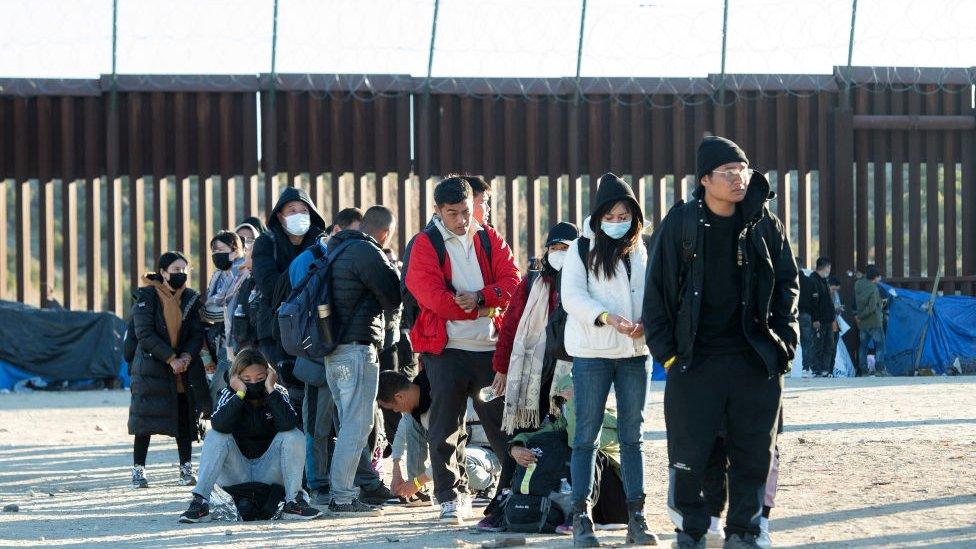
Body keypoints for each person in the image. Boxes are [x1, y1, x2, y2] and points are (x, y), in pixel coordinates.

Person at [644, 135, 799, 549]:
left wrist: (784, 342)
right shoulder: (680, 224)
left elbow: (788, 284)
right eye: (729, 173)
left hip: (755, 359)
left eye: (743, 171)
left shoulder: (766, 224)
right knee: (691, 454)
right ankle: (691, 531)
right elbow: (656, 295)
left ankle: (746, 531)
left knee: (753, 454)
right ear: (705, 179)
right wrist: (671, 357)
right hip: (695, 361)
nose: (739, 179)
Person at [404, 176, 521, 524]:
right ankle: (450, 496)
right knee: (445, 426)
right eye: (452, 213)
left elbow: (513, 283)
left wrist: (483, 298)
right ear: (438, 211)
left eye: (466, 211)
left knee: (502, 425)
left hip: (489, 349)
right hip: (445, 350)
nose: (461, 220)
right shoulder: (425, 244)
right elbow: (434, 299)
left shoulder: (489, 238)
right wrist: (486, 305)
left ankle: (513, 491)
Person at [560, 173, 657, 547]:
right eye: (611, 215)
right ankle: (582, 517)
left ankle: (638, 515)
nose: (618, 222)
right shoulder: (580, 249)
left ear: (635, 217)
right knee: (586, 436)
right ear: (598, 216)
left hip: (636, 352)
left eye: (624, 216)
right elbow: (572, 296)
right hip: (593, 352)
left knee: (634, 436)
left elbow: (654, 294)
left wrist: (645, 324)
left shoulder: (642, 249)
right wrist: (606, 317)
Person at [320, 205, 402, 516]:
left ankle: (340, 492)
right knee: (358, 425)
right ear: (385, 232)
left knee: (348, 423)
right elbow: (393, 297)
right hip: (357, 349)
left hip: (333, 350)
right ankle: (341, 497)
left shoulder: (336, 250)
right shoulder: (368, 252)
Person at [178, 348, 321, 523]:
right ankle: (200, 502)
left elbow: (288, 423)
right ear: (236, 378)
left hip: (269, 470)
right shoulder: (228, 394)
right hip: (237, 470)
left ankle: (294, 502)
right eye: (247, 379)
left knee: (294, 435)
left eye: (260, 378)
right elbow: (220, 424)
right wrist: (240, 394)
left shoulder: (278, 393)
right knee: (215, 435)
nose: (254, 383)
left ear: (269, 374)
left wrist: (270, 389)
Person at [128, 251, 210, 489]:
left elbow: (197, 333)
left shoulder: (192, 298)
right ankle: (138, 471)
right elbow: (144, 333)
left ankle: (186, 469)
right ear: (162, 273)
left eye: (185, 270)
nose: (181, 274)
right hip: (151, 369)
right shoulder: (145, 296)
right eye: (176, 270)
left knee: (184, 419)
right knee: (145, 421)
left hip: (183, 370)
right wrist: (170, 357)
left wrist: (185, 356)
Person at [492, 222, 579, 430]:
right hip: (535, 369)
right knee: (529, 431)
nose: (558, 253)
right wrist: (502, 368)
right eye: (553, 248)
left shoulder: (585, 283)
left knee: (567, 429)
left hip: (572, 366)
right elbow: (510, 326)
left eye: (565, 248)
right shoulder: (533, 284)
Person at [377, 371, 501, 507]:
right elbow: (403, 431)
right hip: (460, 451)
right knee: (411, 422)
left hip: (486, 451)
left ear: (399, 397)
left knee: (465, 462)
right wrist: (396, 469)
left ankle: (491, 481)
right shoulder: (419, 398)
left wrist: (418, 481)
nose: (395, 411)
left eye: (393, 407)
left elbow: (448, 454)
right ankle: (418, 492)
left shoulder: (444, 393)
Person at [250, 187, 327, 382]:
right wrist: (302, 265)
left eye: (304, 210)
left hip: (315, 329)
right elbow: (269, 286)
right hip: (276, 331)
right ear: (280, 216)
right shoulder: (267, 243)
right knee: (287, 389)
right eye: (292, 211)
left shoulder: (321, 243)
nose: (299, 215)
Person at [202, 231, 250, 402]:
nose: (216, 255)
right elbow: (207, 309)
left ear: (235, 250)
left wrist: (218, 307)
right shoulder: (218, 276)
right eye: (213, 251)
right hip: (223, 340)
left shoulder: (244, 272)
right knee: (221, 386)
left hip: (242, 337)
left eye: (220, 250)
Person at [799, 257, 835, 377]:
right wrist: (815, 319)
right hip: (819, 319)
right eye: (829, 267)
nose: (830, 269)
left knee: (828, 345)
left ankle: (825, 369)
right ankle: (816, 369)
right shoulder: (813, 280)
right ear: (824, 267)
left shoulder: (824, 280)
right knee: (818, 345)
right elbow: (813, 302)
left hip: (828, 319)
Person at [855, 265, 887, 376]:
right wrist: (880, 304)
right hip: (874, 321)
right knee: (880, 344)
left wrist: (860, 316)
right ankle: (879, 369)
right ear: (875, 278)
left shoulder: (858, 284)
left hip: (863, 324)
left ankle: (863, 370)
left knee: (862, 346)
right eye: (879, 277)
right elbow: (872, 307)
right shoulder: (873, 288)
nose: (880, 279)